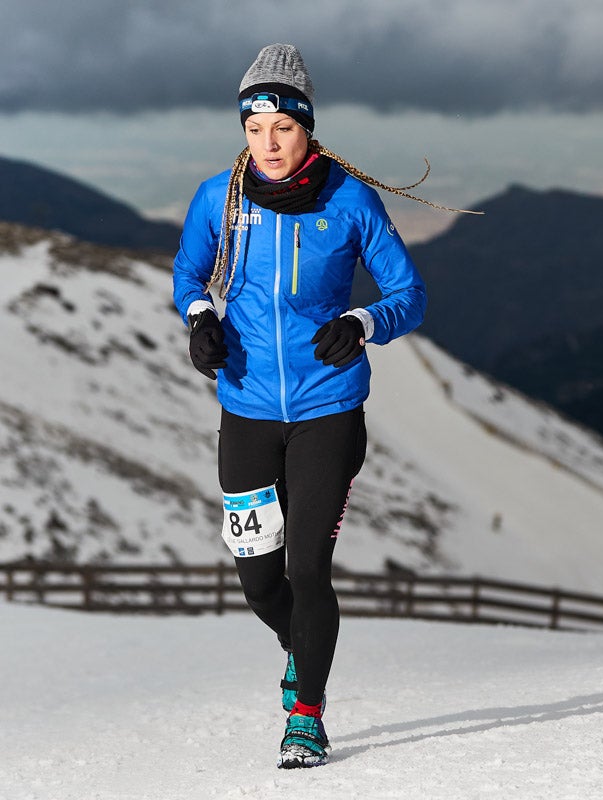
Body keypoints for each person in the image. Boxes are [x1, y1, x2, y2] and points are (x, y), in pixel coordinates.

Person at [173, 44, 469, 768]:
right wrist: (199, 318)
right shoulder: (219, 198)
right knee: (260, 581)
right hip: (245, 408)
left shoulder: (349, 200)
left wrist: (362, 323)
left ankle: (306, 711)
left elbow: (410, 294)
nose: (268, 145)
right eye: (254, 129)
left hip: (327, 410)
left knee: (308, 570)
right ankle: (299, 645)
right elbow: (188, 271)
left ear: (307, 126)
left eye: (282, 128)